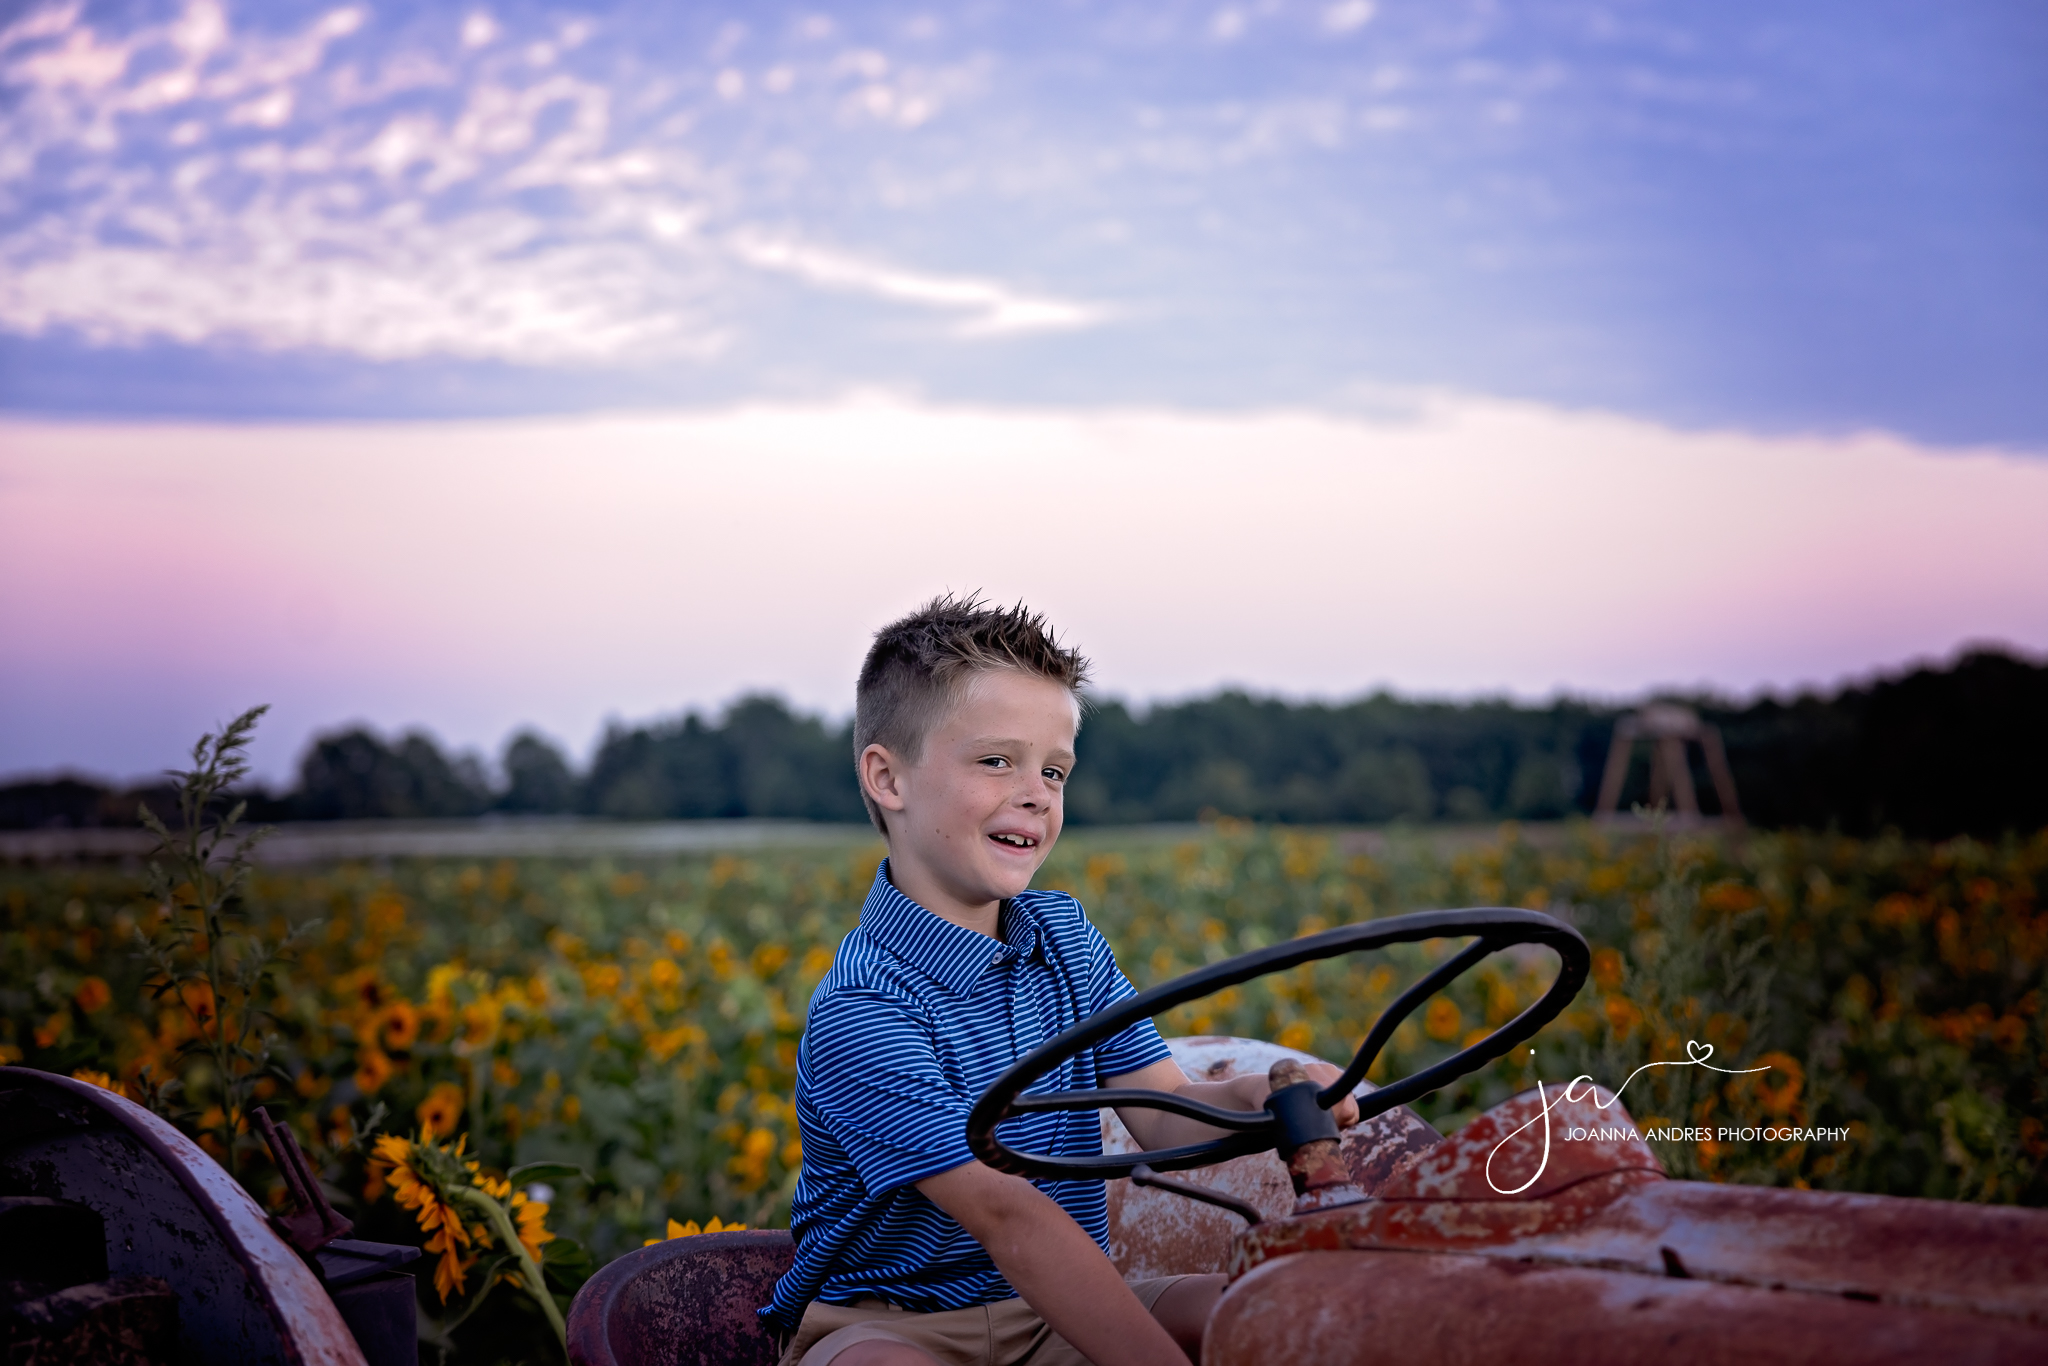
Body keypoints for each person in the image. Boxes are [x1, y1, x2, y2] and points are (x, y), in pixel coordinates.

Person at [759, 594, 1358, 1366]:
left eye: (1054, 770)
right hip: (891, 1324)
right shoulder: (865, 1006)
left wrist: (1254, 1099)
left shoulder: (1065, 941)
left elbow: (1166, 1111)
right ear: (888, 778)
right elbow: (1008, 1216)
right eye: (996, 760)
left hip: (1051, 1313)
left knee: (1271, 1311)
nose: (1037, 792)